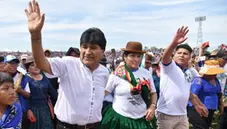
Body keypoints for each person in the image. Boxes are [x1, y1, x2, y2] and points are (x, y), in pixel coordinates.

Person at [25, 1, 109, 129]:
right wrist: (35, 35)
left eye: (93, 48)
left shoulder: (104, 72)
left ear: (102, 51)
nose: (87, 52)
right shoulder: (68, 64)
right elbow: (42, 63)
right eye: (84, 47)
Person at [156, 26, 208, 129]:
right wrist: (174, 43)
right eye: (179, 53)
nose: (181, 55)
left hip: (182, 115)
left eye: (185, 54)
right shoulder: (170, 67)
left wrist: (197, 105)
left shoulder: (188, 72)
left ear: (190, 57)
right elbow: (166, 56)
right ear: (174, 55)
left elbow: (187, 92)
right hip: (166, 115)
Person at [101, 41, 157, 129]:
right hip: (120, 120)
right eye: (132, 56)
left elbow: (153, 93)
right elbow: (104, 93)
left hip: (141, 120)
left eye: (139, 56)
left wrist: (152, 107)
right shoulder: (116, 75)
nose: (136, 59)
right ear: (125, 57)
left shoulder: (146, 74)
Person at [188, 60, 225, 129]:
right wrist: (201, 106)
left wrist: (221, 105)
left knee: (207, 126)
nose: (214, 75)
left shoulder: (216, 80)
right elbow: (193, 95)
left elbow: (219, 93)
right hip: (198, 109)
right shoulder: (198, 80)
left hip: (211, 109)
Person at [24, 56, 58, 129]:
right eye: (32, 65)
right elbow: (25, 97)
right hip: (33, 110)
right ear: (28, 68)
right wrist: (28, 110)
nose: (36, 67)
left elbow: (53, 94)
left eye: (37, 64)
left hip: (46, 109)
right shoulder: (25, 79)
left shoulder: (45, 78)